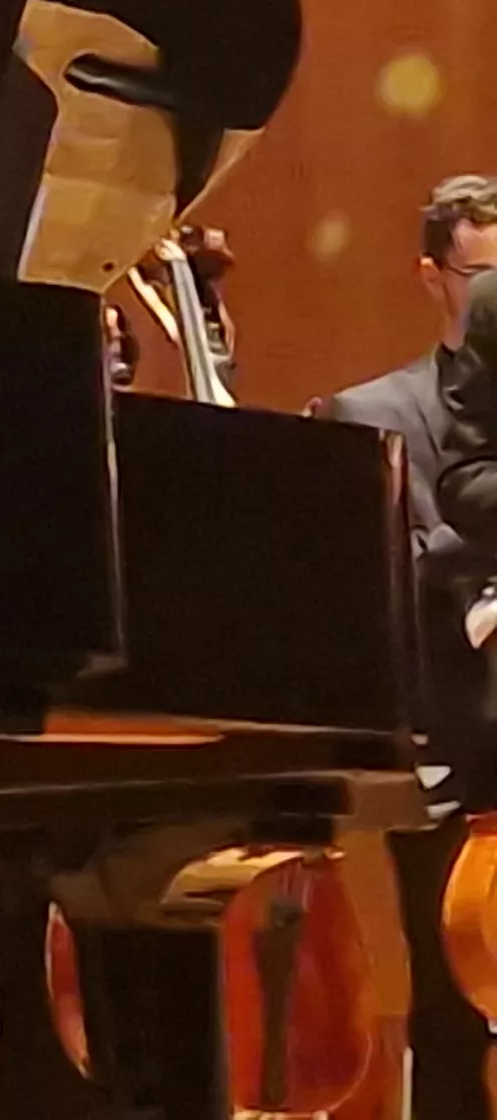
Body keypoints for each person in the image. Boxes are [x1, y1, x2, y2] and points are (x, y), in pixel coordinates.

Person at [323, 176, 497, 1120]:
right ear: (433, 277)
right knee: (448, 1009)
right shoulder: (371, 415)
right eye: (485, 275)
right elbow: (396, 574)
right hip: (451, 760)